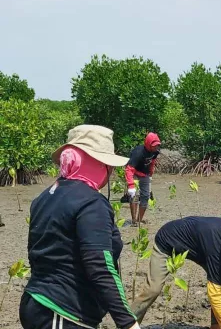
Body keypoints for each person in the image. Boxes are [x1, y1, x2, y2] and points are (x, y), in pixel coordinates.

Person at [21, 125, 139, 329]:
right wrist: (128, 322)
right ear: (95, 163)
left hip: (36, 301)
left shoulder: (44, 197)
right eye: (107, 164)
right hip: (63, 312)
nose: (110, 171)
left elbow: (37, 253)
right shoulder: (92, 203)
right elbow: (100, 265)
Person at [131, 218, 221, 329]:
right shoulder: (216, 245)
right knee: (153, 289)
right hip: (167, 241)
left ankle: (217, 326)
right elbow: (214, 295)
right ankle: (127, 323)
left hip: (198, 247)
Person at [125, 132, 161, 226]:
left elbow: (152, 162)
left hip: (145, 174)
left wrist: (150, 175)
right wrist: (131, 185)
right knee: (134, 196)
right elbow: (129, 169)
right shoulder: (138, 153)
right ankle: (134, 221)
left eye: (157, 145)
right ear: (148, 144)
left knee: (146, 196)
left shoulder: (156, 151)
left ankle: (139, 220)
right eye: (154, 146)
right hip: (134, 173)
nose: (156, 148)